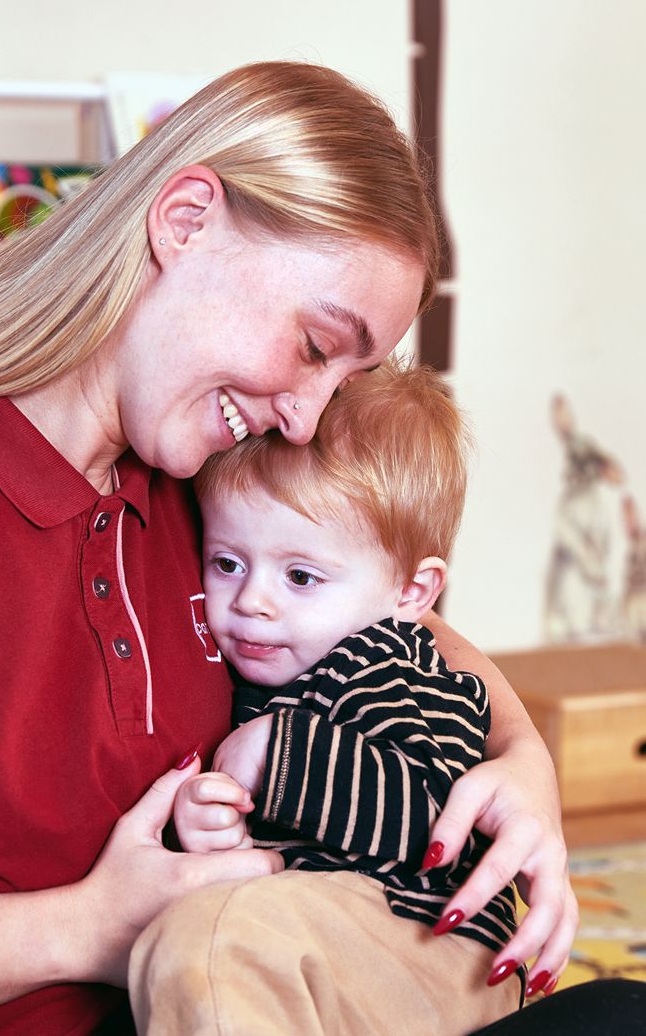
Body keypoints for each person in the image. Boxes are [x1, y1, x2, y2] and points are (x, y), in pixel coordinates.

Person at [0, 61, 582, 1035]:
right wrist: (80, 928)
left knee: (624, 1019)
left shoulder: (209, 485)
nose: (305, 418)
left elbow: (389, 616)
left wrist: (522, 766)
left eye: (345, 378)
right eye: (311, 345)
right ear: (185, 220)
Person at [133, 359, 525, 1034]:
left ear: (411, 594)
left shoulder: (391, 665)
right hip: (326, 945)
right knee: (209, 944)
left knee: (213, 943)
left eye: (301, 576)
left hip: (432, 937)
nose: (252, 601)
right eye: (228, 562)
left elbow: (437, 818)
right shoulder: (256, 674)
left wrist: (281, 760)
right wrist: (213, 829)